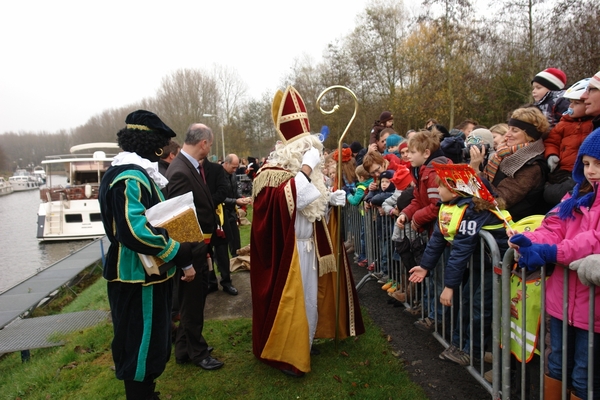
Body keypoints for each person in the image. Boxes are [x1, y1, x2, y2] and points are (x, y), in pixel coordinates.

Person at [250, 86, 364, 377]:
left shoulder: (307, 173)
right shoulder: (272, 172)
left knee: (310, 298)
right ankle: (287, 352)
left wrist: (330, 202)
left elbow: (311, 210)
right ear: (291, 149)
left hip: (309, 246)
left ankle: (307, 340)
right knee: (293, 302)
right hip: (286, 252)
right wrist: (304, 170)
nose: (309, 153)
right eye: (303, 148)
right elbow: (292, 200)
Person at [98, 110, 200, 399]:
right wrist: (175, 250)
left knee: (151, 340)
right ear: (152, 145)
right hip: (136, 277)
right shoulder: (129, 176)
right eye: (163, 144)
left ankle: (146, 392)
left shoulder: (132, 172)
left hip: (147, 275)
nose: (166, 150)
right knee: (140, 345)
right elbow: (134, 231)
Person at [508, 128, 600, 400]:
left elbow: (593, 241)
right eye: (586, 163)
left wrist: (551, 252)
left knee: (585, 375)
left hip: (593, 309)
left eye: (598, 164)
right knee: (556, 365)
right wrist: (530, 240)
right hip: (561, 302)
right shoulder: (576, 194)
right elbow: (553, 225)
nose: (591, 171)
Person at [409, 173, 510, 366]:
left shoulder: (474, 212)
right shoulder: (451, 207)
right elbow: (437, 239)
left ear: (456, 190)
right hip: (481, 265)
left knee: (480, 308)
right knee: (467, 302)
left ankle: (471, 351)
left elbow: (461, 251)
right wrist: (424, 266)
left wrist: (449, 286)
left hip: (496, 268)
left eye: (441, 187)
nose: (437, 190)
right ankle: (458, 345)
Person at [165, 123, 224, 371]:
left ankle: (182, 350)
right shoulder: (180, 171)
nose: (209, 149)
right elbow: (178, 221)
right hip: (190, 251)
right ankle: (198, 353)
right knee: (191, 305)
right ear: (203, 143)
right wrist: (187, 262)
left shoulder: (188, 166)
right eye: (210, 144)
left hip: (200, 247)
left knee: (195, 302)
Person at [396, 129, 451, 330]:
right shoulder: (422, 171)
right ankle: (428, 311)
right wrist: (407, 214)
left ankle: (437, 319)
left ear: (426, 153)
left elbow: (437, 205)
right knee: (431, 274)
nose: (407, 155)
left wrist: (417, 218)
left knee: (438, 277)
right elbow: (419, 200)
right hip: (432, 232)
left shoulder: (434, 171)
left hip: (441, 234)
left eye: (412, 152)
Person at [469, 106, 550, 221]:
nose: (507, 135)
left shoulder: (532, 166)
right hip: (491, 219)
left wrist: (475, 171)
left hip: (511, 225)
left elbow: (500, 200)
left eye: (515, 130)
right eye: (509, 129)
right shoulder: (503, 154)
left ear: (530, 136)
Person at [544, 78, 594, 206]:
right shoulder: (563, 123)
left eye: (576, 103)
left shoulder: (592, 124)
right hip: (564, 170)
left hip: (585, 171)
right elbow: (552, 141)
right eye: (570, 102)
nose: (570, 106)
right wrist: (551, 155)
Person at [203, 155, 239, 296]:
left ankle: (226, 281)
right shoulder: (191, 169)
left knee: (223, 252)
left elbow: (223, 192)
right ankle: (211, 282)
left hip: (219, 216)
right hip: (203, 217)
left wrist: (206, 202)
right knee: (207, 252)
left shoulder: (216, 169)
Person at [222, 154, 252, 257]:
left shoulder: (233, 175)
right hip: (222, 213)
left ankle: (237, 259)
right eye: (233, 167)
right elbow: (219, 198)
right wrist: (236, 201)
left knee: (236, 239)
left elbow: (236, 191)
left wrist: (242, 198)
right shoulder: (219, 176)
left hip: (232, 212)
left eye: (236, 167)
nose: (235, 170)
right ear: (226, 164)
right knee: (223, 243)